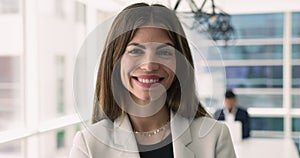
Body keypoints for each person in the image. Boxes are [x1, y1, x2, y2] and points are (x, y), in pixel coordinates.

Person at [70, 3, 236, 158]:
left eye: (164, 52)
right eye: (135, 51)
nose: (149, 65)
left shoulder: (214, 136)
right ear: (115, 61)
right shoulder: (89, 145)